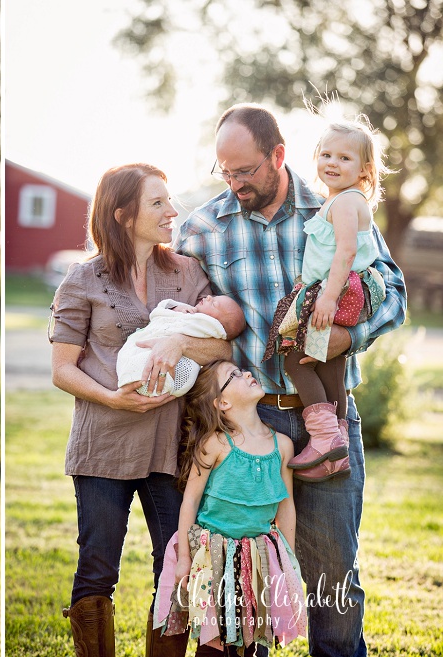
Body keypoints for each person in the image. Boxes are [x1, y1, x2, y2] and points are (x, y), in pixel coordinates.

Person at [175, 103, 406, 657]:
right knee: (246, 571)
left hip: (324, 411)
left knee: (332, 572)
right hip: (249, 427)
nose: (234, 184)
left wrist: (340, 339)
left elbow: (392, 293)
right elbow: (178, 312)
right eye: (224, 172)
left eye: (245, 171)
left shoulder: (335, 206)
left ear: (278, 156)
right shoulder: (202, 228)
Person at [49, 163, 232, 657]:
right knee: (97, 568)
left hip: (171, 448)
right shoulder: (83, 278)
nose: (172, 212)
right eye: (157, 203)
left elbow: (221, 348)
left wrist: (178, 341)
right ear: (123, 214)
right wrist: (113, 398)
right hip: (102, 447)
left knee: (173, 564)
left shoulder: (188, 273)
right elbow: (62, 369)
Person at [263, 117, 388, 481]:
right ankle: (337, 452)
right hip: (344, 291)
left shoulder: (346, 203)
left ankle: (324, 436)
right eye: (327, 154)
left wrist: (327, 298)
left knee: (297, 361)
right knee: (331, 364)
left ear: (365, 169)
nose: (332, 163)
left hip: (338, 291)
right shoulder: (343, 199)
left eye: (345, 158)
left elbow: (346, 251)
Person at [153, 360, 305, 654]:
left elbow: (286, 508)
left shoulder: (282, 446)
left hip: (258, 559)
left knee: (255, 639)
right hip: (214, 558)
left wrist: (288, 562)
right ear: (222, 402)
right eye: (234, 375)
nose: (247, 373)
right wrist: (184, 557)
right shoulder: (216, 444)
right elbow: (190, 502)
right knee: (214, 643)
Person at [117, 295, 245, 397]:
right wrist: (175, 308)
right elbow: (159, 313)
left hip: (170, 373)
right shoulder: (189, 312)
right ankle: (135, 379)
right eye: (213, 297)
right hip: (145, 358)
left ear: (218, 324)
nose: (209, 297)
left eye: (214, 304)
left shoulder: (206, 326)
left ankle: (141, 381)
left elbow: (160, 313)